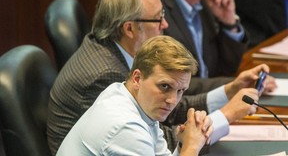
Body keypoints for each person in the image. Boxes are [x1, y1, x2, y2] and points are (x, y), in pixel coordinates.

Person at [47, 0, 273, 155]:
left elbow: (160, 145)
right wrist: (198, 140)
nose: (165, 23)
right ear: (129, 29)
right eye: (157, 18)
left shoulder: (131, 94)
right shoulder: (105, 79)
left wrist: (227, 92)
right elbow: (154, 136)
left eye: (179, 91)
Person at [56, 35, 213, 156]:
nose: (172, 100)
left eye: (180, 91)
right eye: (164, 86)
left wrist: (183, 144)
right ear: (137, 78)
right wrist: (192, 147)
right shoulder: (125, 127)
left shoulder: (130, 98)